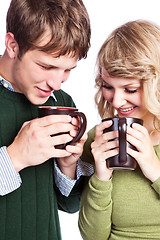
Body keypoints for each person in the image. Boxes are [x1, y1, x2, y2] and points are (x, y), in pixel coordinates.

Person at [0, 0, 94, 239]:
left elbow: (69, 205)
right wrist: (15, 157)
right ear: (12, 45)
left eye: (67, 69)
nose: (56, 83)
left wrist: (68, 166)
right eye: (45, 65)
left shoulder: (62, 102)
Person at [78, 20, 160, 239]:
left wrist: (155, 170)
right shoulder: (98, 139)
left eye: (130, 89)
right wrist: (101, 178)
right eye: (107, 87)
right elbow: (92, 236)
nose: (117, 101)